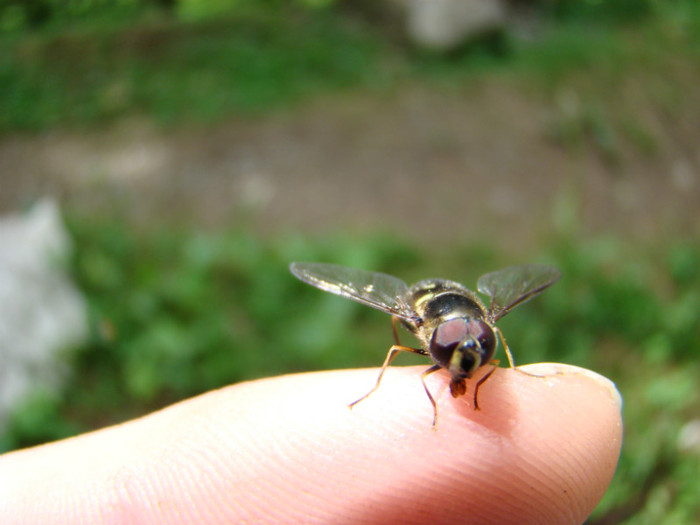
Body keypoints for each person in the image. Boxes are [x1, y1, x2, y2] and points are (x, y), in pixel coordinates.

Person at [0, 362, 622, 524]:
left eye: (477, 356)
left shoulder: (479, 344)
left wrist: (510, 378)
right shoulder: (417, 344)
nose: (467, 364)